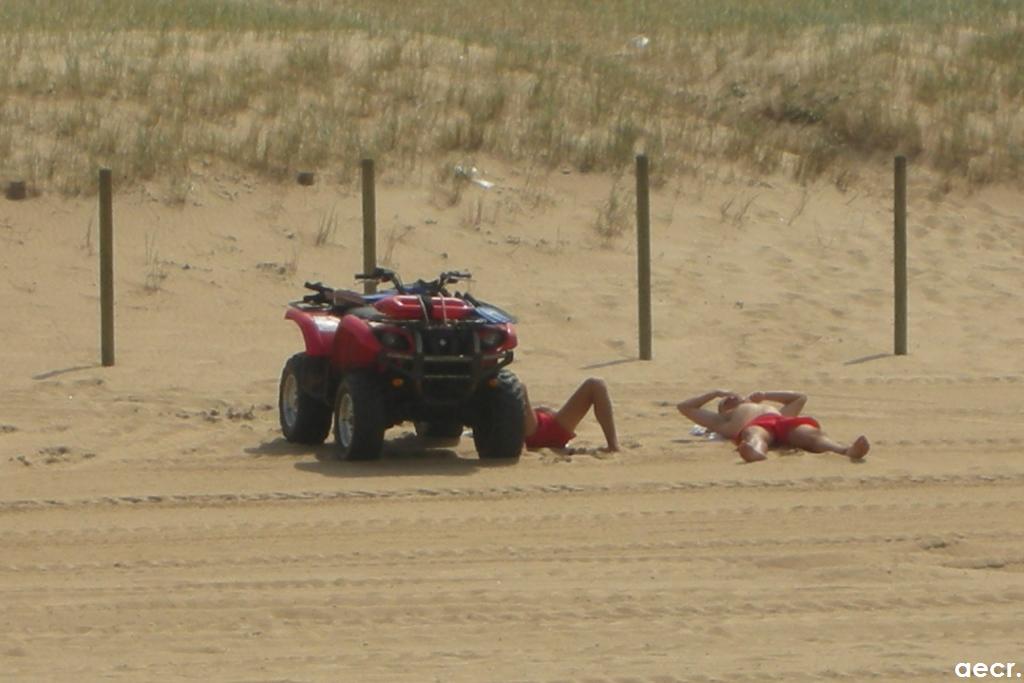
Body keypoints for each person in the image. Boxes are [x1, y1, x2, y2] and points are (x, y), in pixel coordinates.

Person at [676, 389, 869, 463]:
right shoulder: (722, 420)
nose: (730, 398)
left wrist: (766, 395)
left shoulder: (769, 408)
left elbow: (799, 398)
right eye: (725, 401)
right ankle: (756, 452)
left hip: (780, 421)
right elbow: (684, 407)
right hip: (755, 426)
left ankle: (846, 451)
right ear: (721, 411)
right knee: (753, 434)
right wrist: (714, 394)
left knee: (810, 433)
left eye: (734, 396)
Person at [523, 378, 620, 452]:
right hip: (533, 430)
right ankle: (613, 446)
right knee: (520, 389)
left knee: (596, 384)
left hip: (551, 427)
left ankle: (613, 446)